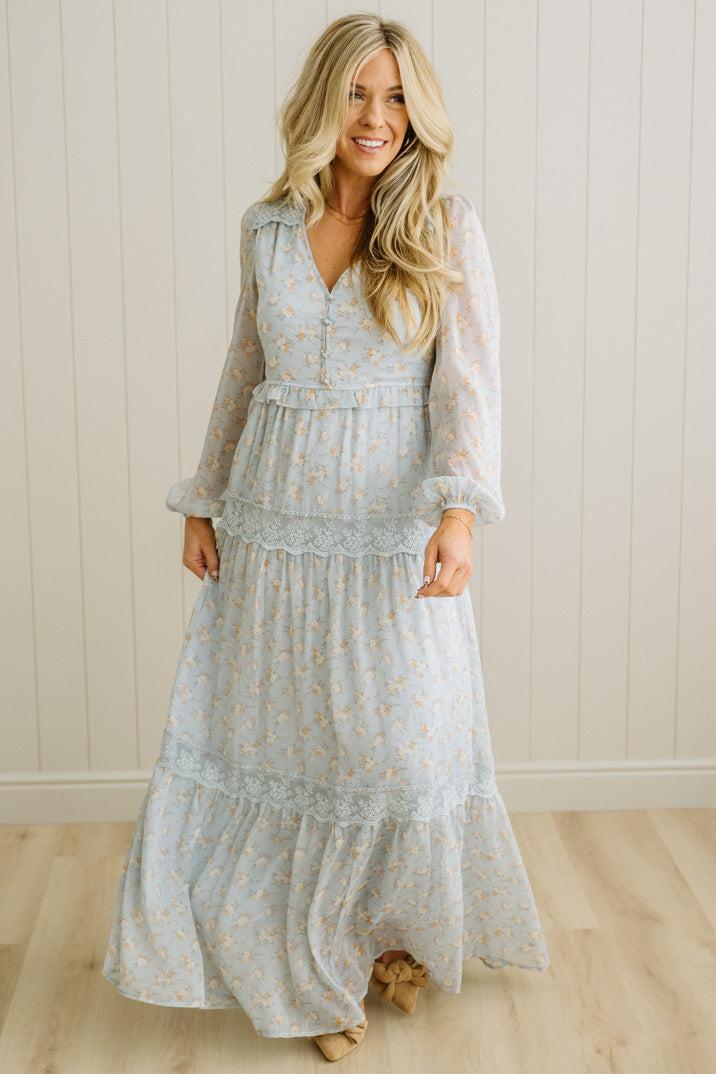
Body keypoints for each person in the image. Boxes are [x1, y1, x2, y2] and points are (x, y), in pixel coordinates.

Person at [102, 12, 550, 1062]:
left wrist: (456, 514)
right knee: (287, 742)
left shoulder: (445, 226)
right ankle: (319, 960)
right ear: (321, 103)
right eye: (356, 94)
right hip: (272, 522)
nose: (376, 117)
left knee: (396, 749)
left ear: (418, 113)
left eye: (395, 97)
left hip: (387, 529)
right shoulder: (266, 227)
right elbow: (241, 368)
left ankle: (382, 932)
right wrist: (204, 498)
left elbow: (468, 388)